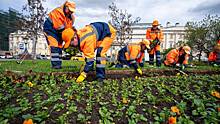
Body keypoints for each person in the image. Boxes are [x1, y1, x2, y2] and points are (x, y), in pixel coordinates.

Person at [43, 1, 76, 69]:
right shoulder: (58, 12)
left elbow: (68, 28)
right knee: (54, 46)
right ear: (66, 7)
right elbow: (59, 27)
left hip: (60, 32)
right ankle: (55, 66)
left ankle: (59, 64)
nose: (70, 12)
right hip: (50, 30)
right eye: (69, 10)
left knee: (59, 47)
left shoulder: (70, 17)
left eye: (72, 11)